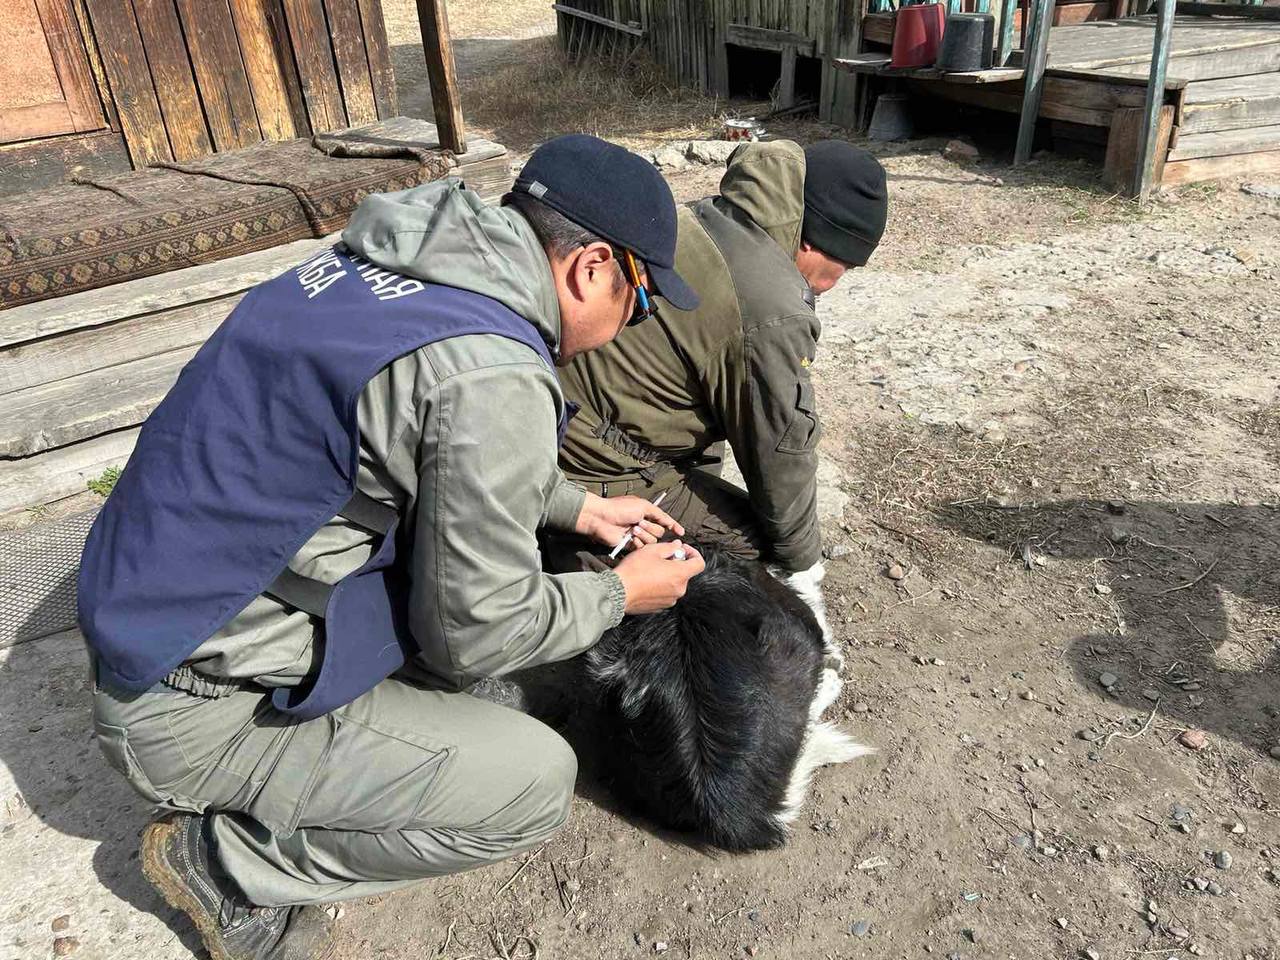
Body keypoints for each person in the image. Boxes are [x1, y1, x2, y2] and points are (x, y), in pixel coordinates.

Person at [77, 134, 705, 960]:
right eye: (642, 303)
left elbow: (402, 437)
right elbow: (477, 631)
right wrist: (621, 594)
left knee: (473, 676)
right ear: (592, 268)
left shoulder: (381, 266)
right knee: (532, 780)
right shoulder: (494, 370)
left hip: (147, 615)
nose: (631, 324)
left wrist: (576, 505)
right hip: (189, 710)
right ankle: (227, 864)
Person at [555, 139, 888, 655]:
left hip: (570, 417)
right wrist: (803, 571)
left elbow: (704, 400)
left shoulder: (713, 221)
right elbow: (782, 453)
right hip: (589, 460)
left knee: (716, 510)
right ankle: (593, 571)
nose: (837, 284)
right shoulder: (773, 305)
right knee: (750, 550)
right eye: (846, 267)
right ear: (817, 245)